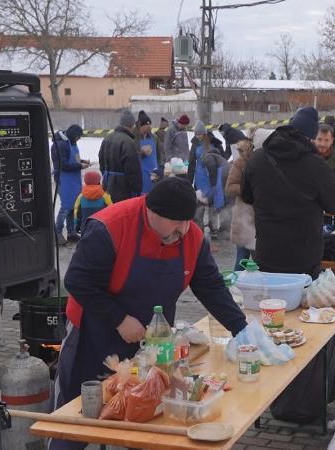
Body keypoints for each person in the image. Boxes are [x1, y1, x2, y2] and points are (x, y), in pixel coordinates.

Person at [52, 178, 247, 450]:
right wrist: (118, 318)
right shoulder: (110, 227)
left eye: (186, 221)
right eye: (174, 222)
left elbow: (211, 286)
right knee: (76, 419)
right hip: (92, 334)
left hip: (151, 344)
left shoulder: (191, 237)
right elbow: (77, 281)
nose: (182, 229)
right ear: (150, 211)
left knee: (145, 416)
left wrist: (242, 329)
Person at [241, 107, 335, 278]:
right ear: (311, 137)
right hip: (304, 256)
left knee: (272, 302)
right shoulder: (316, 165)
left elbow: (246, 196)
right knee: (303, 303)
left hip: (267, 251)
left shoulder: (257, 159)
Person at [188, 121, 228, 240]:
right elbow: (191, 163)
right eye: (196, 134)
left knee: (212, 203)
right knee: (199, 204)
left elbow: (222, 158)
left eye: (200, 134)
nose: (198, 136)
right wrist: (189, 181)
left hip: (213, 175)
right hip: (200, 177)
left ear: (205, 133)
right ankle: (198, 228)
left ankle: (213, 227)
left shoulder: (213, 142)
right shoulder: (195, 144)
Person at [51, 124, 88, 244]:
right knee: (66, 206)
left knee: (72, 207)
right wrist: (79, 166)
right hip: (64, 179)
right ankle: (57, 233)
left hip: (73, 179)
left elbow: (71, 158)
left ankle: (71, 232)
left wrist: (81, 161)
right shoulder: (60, 145)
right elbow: (64, 165)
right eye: (78, 137)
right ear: (73, 135)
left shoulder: (71, 142)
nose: (79, 139)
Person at [224, 138, 256, 270]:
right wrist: (249, 189)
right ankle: (235, 289)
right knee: (241, 260)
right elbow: (230, 187)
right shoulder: (240, 162)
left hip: (260, 218)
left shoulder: (267, 161)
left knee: (261, 262)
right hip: (244, 217)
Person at [98, 110, 142, 202]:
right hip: (123, 189)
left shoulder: (107, 137)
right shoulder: (128, 142)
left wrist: (106, 176)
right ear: (132, 125)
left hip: (107, 185)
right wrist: (137, 188)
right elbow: (133, 170)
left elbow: (101, 160)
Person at [72, 170, 112, 234]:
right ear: (98, 181)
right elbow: (111, 210)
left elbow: (77, 213)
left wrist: (76, 226)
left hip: (85, 228)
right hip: (102, 228)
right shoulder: (104, 196)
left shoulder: (81, 196)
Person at [135, 110, 163, 194]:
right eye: (146, 125)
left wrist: (160, 169)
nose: (149, 126)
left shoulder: (154, 138)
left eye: (149, 124)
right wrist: (142, 153)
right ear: (140, 126)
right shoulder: (134, 138)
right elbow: (132, 156)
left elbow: (159, 155)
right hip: (140, 174)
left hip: (153, 174)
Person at [315, 124, 335, 189]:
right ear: (314, 138)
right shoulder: (307, 154)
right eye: (319, 139)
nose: (322, 144)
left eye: (326, 140)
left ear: (332, 140)